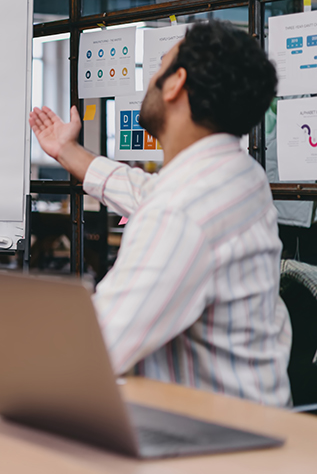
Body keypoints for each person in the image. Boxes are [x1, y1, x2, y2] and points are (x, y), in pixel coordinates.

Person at [29, 20, 291, 406]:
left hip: (212, 447)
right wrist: (68, 151)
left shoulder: (181, 211)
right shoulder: (239, 175)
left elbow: (94, 348)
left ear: (175, 82)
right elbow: (144, 192)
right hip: (260, 424)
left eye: (159, 67)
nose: (151, 79)